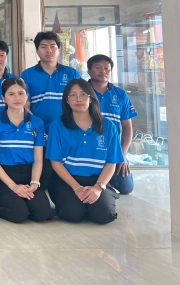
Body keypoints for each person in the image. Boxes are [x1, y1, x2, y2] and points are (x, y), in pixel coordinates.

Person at [45, 79, 123, 224]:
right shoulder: (57, 125)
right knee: (73, 214)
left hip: (97, 179)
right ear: (67, 100)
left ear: (91, 98)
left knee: (103, 216)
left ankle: (96, 201)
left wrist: (98, 188)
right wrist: (76, 187)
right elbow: (55, 163)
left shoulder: (108, 126)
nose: (78, 99)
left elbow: (111, 162)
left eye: (83, 94)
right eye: (73, 95)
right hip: (67, 180)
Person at [0, 78, 54, 223]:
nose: (17, 98)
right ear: (3, 98)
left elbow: (38, 159)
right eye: (11, 94)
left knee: (42, 214)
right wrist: (13, 186)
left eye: (21, 93)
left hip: (29, 175)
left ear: (27, 96)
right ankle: (4, 201)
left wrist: (34, 183)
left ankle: (21, 199)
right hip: (4, 177)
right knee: (19, 215)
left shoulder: (37, 123)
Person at [21, 31, 80, 187]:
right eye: (44, 47)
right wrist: (39, 127)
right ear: (37, 50)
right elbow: (25, 106)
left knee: (68, 176)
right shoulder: (27, 75)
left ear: (59, 49)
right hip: (41, 132)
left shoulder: (72, 73)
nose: (49, 50)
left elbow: (80, 103)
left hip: (67, 129)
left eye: (53, 46)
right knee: (45, 180)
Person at [87, 54, 137, 194]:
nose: (103, 71)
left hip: (112, 149)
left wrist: (122, 154)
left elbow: (127, 127)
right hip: (87, 148)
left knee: (126, 188)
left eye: (107, 68)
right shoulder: (82, 92)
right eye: (98, 68)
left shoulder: (120, 94)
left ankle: (104, 180)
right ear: (89, 71)